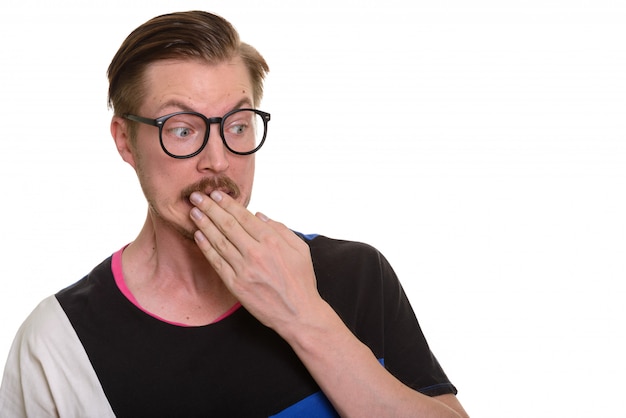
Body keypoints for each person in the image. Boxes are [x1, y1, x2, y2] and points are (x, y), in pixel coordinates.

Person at [0, 10, 468, 418]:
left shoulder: (357, 275)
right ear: (125, 140)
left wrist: (304, 316)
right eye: (182, 130)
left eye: (237, 125)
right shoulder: (57, 346)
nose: (219, 161)